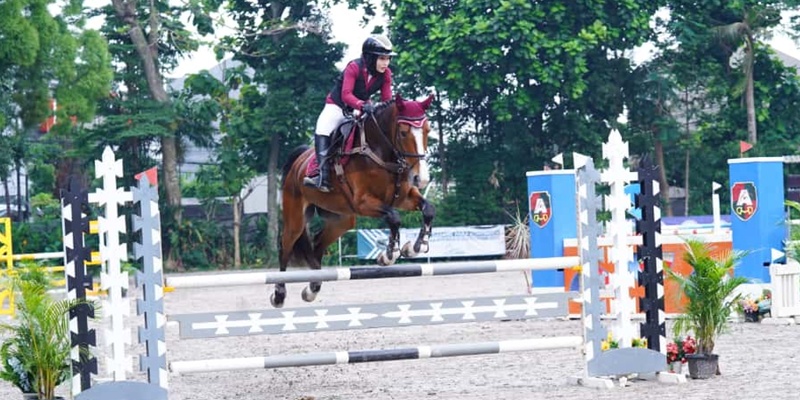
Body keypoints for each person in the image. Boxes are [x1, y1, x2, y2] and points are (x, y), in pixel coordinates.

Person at [303, 34, 396, 192]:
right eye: (382, 58)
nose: (385, 63)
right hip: (338, 106)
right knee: (322, 129)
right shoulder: (354, 67)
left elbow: (387, 99)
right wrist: (361, 105)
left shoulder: (386, 74)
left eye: (387, 59)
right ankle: (321, 176)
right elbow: (346, 95)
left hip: (362, 108)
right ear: (370, 58)